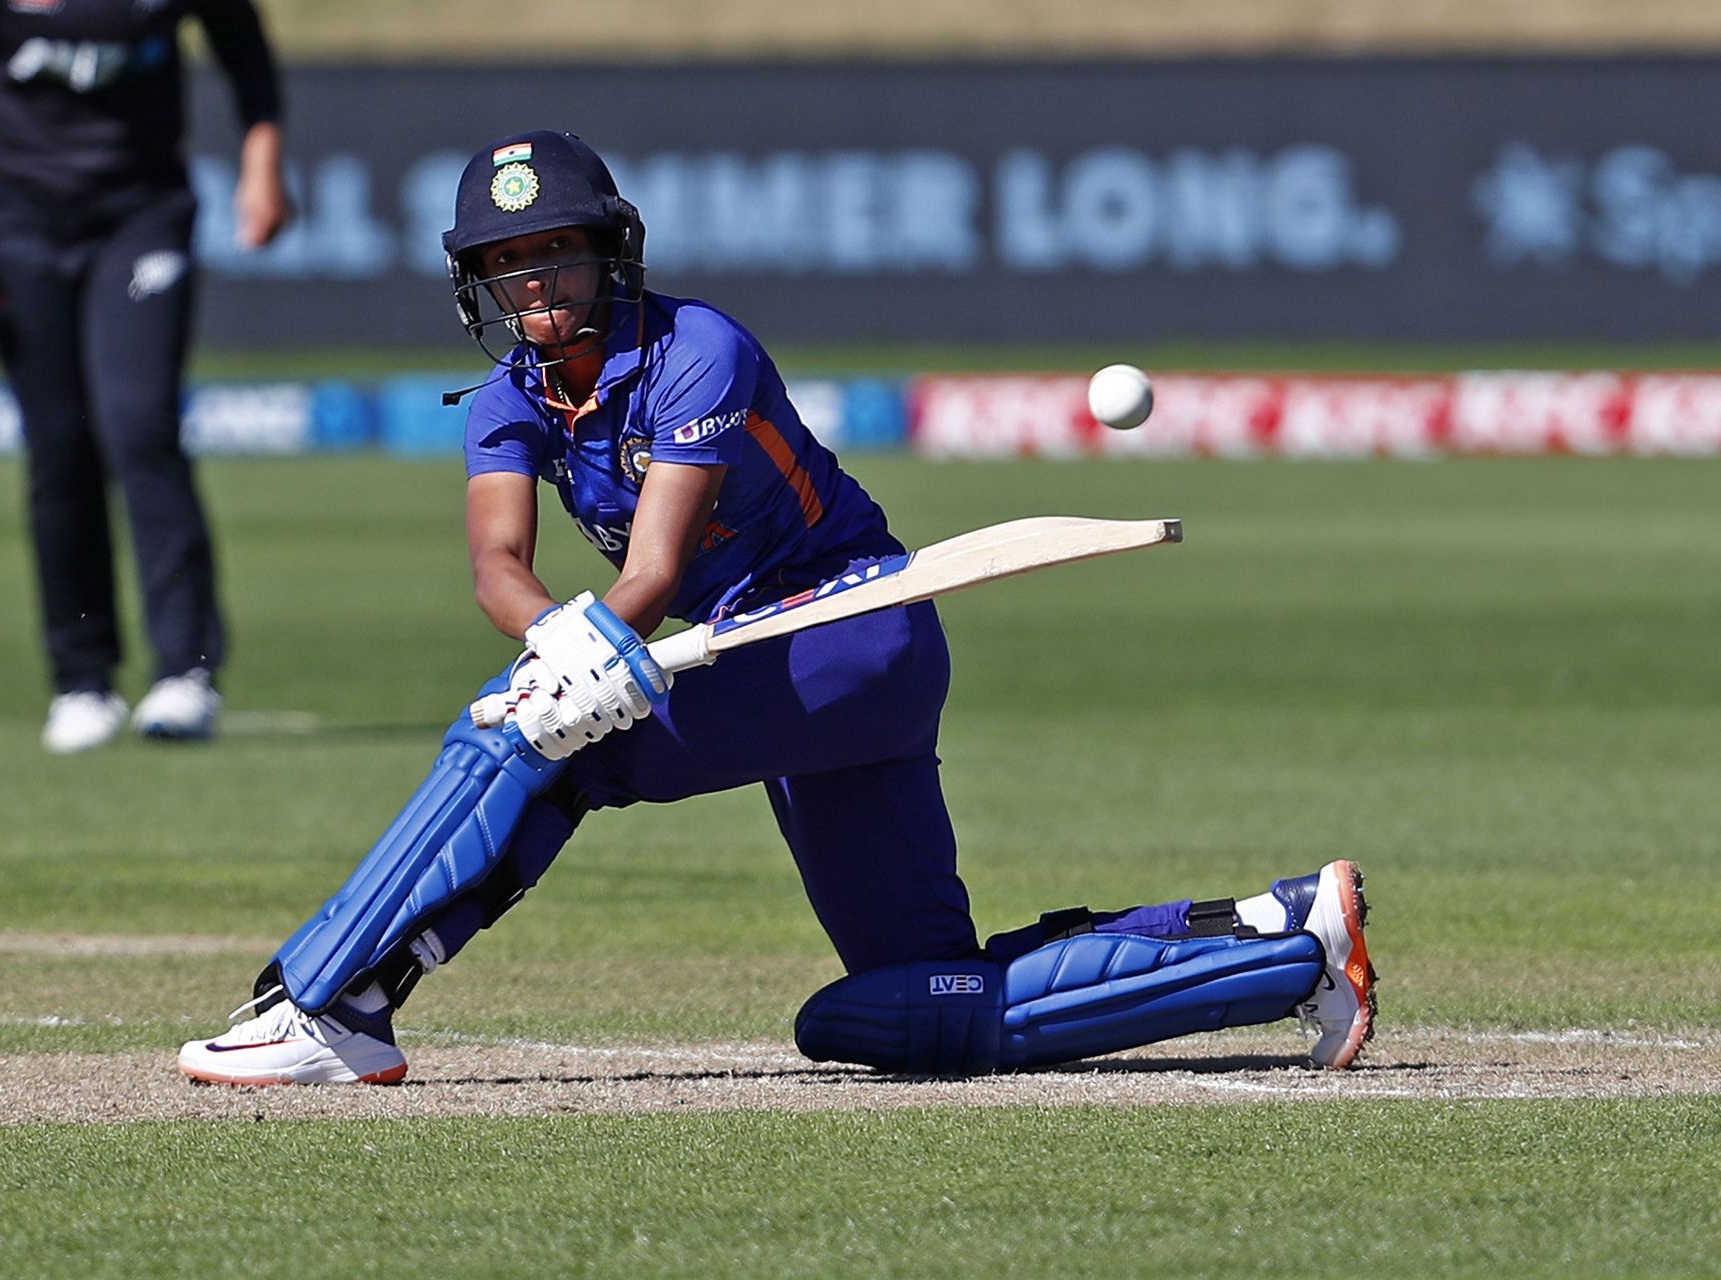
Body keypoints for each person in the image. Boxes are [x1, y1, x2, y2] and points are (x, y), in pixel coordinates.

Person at [179, 130, 1376, 1086]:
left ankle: (333, 999)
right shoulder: (507, 400)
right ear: (475, 280)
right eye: (507, 262)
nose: (535, 282)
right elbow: (498, 561)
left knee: (530, 739)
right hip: (749, 655)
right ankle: (1279, 942)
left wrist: (582, 656)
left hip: (847, 637)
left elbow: (650, 567)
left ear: (613, 254)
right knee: (912, 1006)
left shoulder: (700, 350)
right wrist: (551, 630)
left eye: (559, 253)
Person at [0, 0, 291, 752]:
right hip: (13, 219)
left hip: (142, 212)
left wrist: (263, 169)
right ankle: (81, 680)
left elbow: (245, 54)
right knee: (60, 444)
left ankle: (184, 673)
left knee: (139, 424)